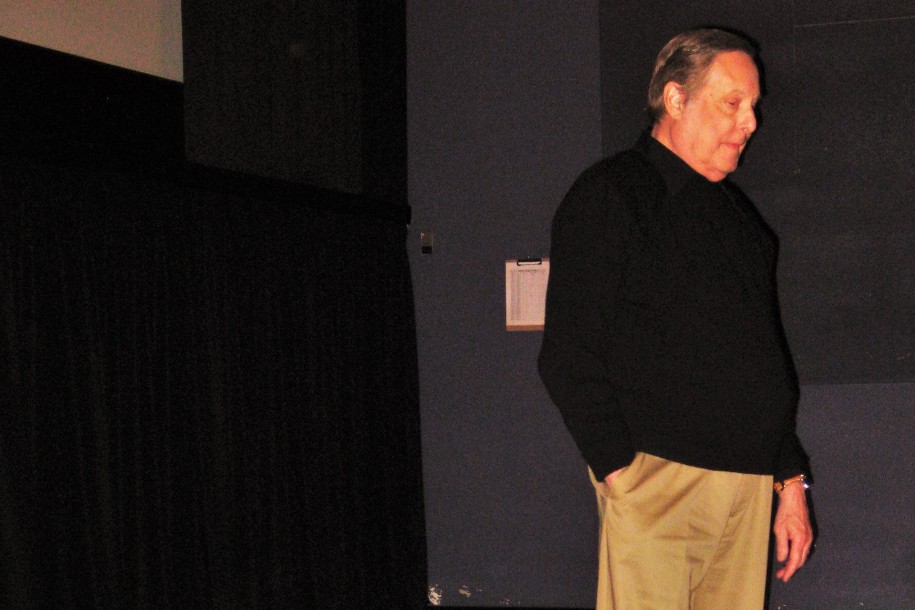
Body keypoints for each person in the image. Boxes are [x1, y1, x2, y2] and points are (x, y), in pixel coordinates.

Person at [538, 28, 813, 609]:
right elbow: (568, 353)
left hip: (747, 482)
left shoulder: (741, 223)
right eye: (732, 103)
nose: (750, 123)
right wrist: (622, 473)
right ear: (675, 99)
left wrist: (789, 482)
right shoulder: (612, 195)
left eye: (754, 107)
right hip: (659, 480)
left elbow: (761, 362)